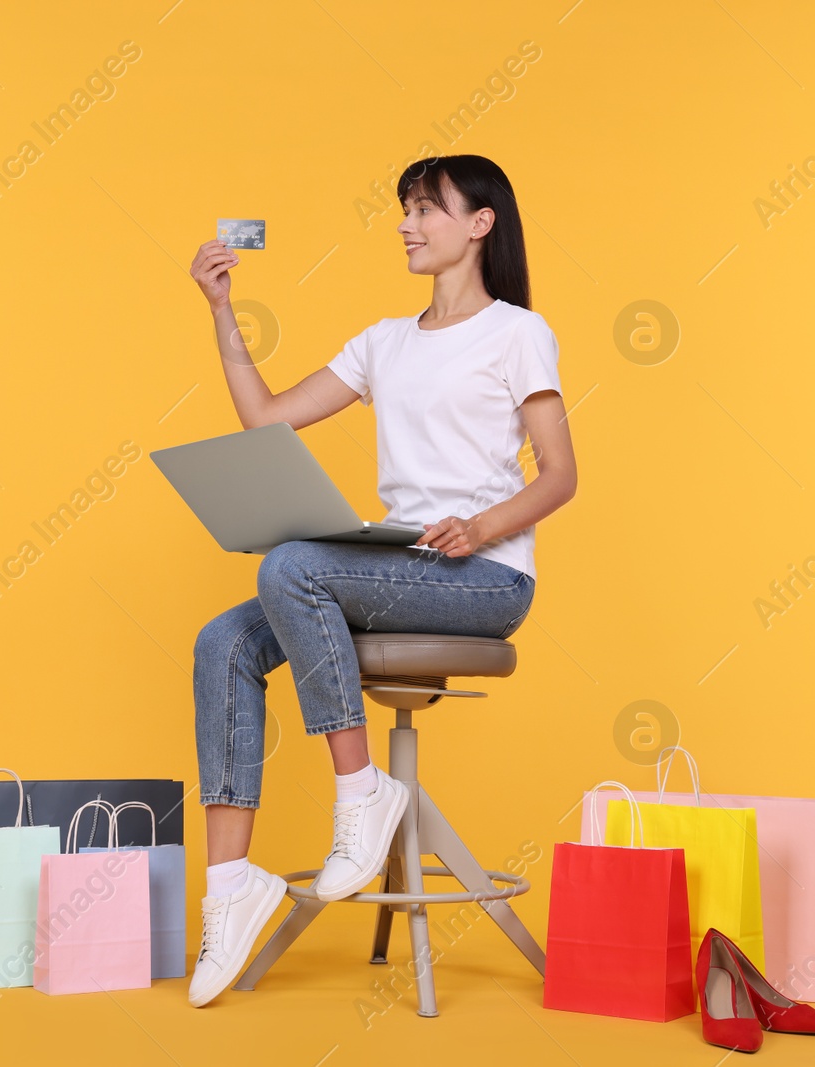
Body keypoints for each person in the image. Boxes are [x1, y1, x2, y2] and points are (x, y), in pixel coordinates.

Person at [183, 154, 577, 1007]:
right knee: (222, 640)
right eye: (404, 208)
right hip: (396, 565)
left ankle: (361, 792)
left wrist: (481, 526)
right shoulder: (384, 342)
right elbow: (265, 419)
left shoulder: (518, 331)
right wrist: (223, 311)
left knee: (291, 564)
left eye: (426, 208)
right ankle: (228, 888)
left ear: (480, 224)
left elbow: (558, 475)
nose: (406, 222)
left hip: (483, 579)